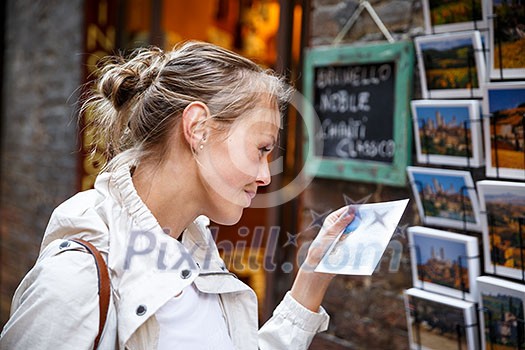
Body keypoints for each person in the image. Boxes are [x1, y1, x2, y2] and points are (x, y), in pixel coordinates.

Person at [0, 41, 354, 350]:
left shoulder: (194, 251)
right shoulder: (75, 279)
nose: (264, 176)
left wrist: (309, 283)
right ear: (198, 128)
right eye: (261, 148)